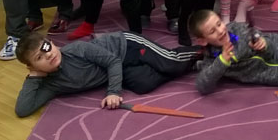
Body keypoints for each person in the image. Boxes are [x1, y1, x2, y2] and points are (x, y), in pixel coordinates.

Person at [14, 31, 200, 117]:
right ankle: (194, 65)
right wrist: (34, 77)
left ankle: (206, 52)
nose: (48, 55)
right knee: (144, 85)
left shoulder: (77, 49)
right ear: (32, 66)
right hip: (120, 68)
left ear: (52, 42)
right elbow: (23, 109)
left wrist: (113, 92)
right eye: (39, 57)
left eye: (46, 47)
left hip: (126, 45)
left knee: (170, 63)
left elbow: (112, 61)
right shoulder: (51, 85)